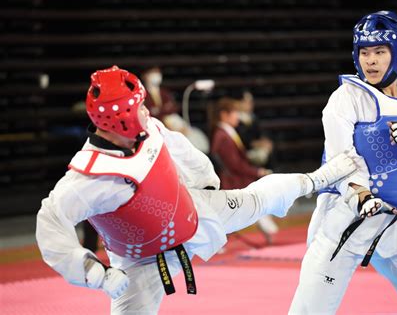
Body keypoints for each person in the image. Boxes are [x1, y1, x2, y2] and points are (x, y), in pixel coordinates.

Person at [35, 66, 357, 315]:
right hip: (141, 262)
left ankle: (318, 179)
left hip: (193, 213)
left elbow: (180, 149)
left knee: (256, 199)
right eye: (137, 107)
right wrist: (92, 272)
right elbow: (50, 221)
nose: (145, 111)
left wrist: (206, 183)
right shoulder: (91, 176)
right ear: (118, 119)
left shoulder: (147, 127)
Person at [289, 11, 397, 314]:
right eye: (364, 52)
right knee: (310, 310)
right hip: (345, 215)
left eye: (380, 52)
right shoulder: (346, 98)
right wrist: (361, 194)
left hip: (394, 218)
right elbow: (342, 159)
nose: (371, 60)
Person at [210, 97, 278, 243]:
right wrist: (258, 172)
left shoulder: (227, 133)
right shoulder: (223, 136)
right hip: (233, 181)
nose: (238, 116)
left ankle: (265, 227)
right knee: (257, 197)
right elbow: (235, 165)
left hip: (235, 177)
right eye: (235, 112)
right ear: (224, 115)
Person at [141, 67, 210, 153]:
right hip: (159, 125)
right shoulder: (143, 94)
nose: (156, 76)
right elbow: (150, 112)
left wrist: (160, 110)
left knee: (190, 134)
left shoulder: (165, 92)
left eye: (157, 73)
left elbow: (174, 107)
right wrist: (164, 110)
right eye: (153, 73)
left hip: (172, 120)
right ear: (145, 76)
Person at [236, 91, 274, 168]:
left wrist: (264, 140)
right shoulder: (236, 118)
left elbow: (260, 132)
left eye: (251, 102)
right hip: (244, 149)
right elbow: (239, 138)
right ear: (239, 103)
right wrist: (255, 143)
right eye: (246, 102)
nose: (250, 105)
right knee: (261, 155)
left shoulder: (253, 117)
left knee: (268, 147)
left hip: (255, 146)